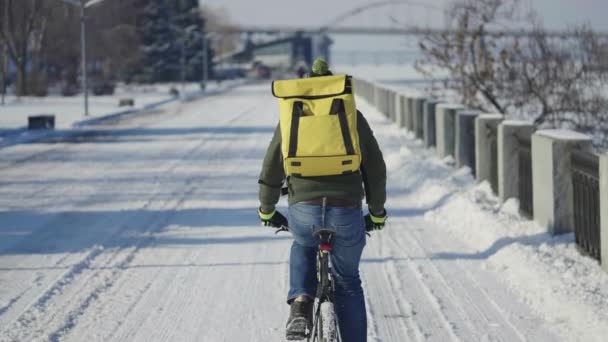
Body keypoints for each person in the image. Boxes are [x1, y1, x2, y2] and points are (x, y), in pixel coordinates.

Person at [257, 58, 387, 342]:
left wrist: (267, 210)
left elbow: (271, 167)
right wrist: (376, 212)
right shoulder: (351, 115)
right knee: (349, 283)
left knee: (303, 242)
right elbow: (375, 168)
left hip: (304, 209)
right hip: (346, 209)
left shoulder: (292, 116)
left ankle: (302, 300)